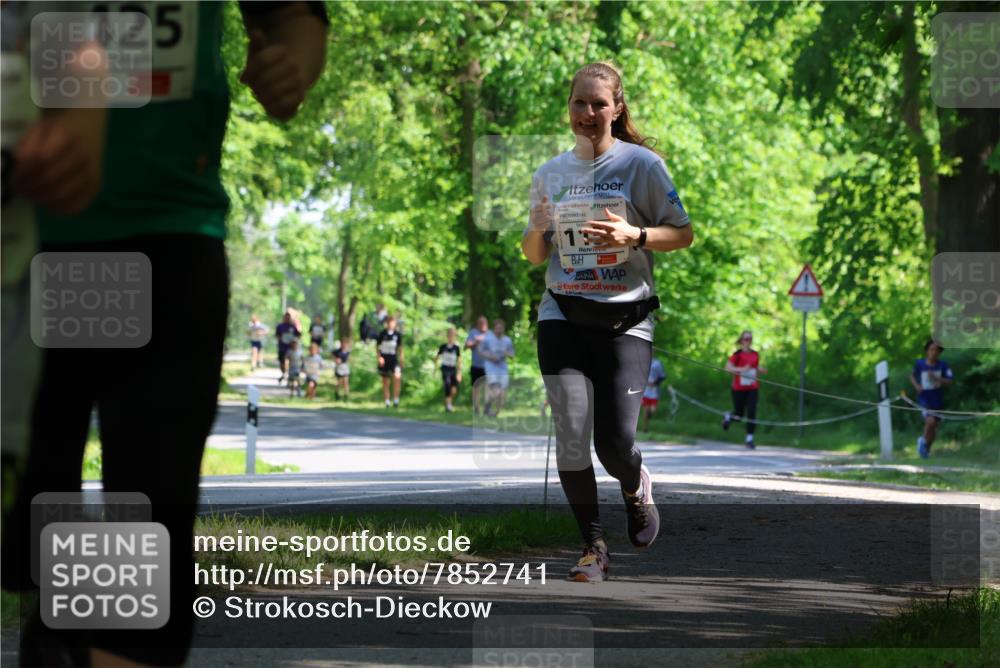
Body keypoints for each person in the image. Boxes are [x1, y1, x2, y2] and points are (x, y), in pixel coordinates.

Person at [1, 4, 328, 666]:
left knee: (148, 519)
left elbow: (297, 15)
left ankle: (86, 637)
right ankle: (63, 623)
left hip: (165, 233)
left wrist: (291, 62)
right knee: (26, 527)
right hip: (23, 243)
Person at [522, 62, 693, 582]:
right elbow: (535, 254)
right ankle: (593, 548)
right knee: (572, 431)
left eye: (599, 103)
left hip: (625, 320)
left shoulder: (642, 165)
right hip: (562, 313)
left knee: (613, 444)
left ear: (617, 109)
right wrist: (538, 228)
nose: (588, 112)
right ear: (569, 108)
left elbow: (682, 233)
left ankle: (635, 484)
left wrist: (633, 236)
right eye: (579, 102)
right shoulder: (550, 173)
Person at [722, 330, 767, 449]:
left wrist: (760, 370)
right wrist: (741, 369)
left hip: (752, 387)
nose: (748, 341)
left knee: (752, 412)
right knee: (739, 415)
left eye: (750, 339)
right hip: (738, 388)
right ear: (741, 341)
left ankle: (749, 439)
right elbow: (728, 368)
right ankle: (728, 417)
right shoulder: (737, 355)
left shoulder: (755, 354)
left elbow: (755, 368)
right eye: (746, 339)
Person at [910, 339, 954, 458]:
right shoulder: (920, 364)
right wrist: (917, 386)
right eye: (931, 350)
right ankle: (923, 442)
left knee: (934, 427)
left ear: (939, 352)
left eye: (936, 350)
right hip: (924, 399)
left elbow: (949, 380)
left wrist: (937, 378)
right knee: (930, 421)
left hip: (937, 399)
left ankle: (926, 450)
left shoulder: (943, 365)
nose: (933, 352)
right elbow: (912, 375)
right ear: (927, 351)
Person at [481, 319, 514, 417]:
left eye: (501, 328)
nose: (499, 330)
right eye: (497, 328)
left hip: (503, 368)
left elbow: (512, 354)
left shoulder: (507, 340)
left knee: (501, 391)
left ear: (503, 329)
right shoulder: (488, 339)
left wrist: (507, 353)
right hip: (491, 367)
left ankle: (493, 410)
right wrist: (490, 356)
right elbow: (481, 351)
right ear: (494, 329)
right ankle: (489, 408)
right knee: (496, 389)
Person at [376, 314, 403, 407]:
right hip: (384, 358)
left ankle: (396, 400)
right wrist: (379, 357)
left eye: (392, 322)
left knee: (397, 377)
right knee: (385, 381)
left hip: (394, 359)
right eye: (389, 322)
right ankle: (387, 401)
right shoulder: (382, 334)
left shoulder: (397, 335)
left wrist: (402, 359)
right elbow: (378, 347)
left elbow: (400, 348)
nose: (391, 324)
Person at [465, 315, 490, 415]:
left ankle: (487, 408)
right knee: (476, 388)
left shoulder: (490, 334)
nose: (482, 325)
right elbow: (466, 345)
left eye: (484, 323)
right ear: (477, 324)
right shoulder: (473, 333)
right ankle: (476, 408)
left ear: (487, 324)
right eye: (480, 323)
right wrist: (476, 341)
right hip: (476, 366)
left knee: (488, 387)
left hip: (488, 367)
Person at [436, 327, 463, 412]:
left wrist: (459, 372)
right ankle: (448, 406)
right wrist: (435, 369)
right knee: (447, 384)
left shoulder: (456, 348)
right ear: (447, 335)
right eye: (450, 334)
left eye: (453, 334)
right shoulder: (443, 347)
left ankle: (447, 401)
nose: (451, 336)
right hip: (445, 368)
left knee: (454, 389)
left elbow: (459, 360)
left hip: (453, 369)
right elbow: (437, 357)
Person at [641, 356, 667, 432]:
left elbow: (663, 376)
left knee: (653, 410)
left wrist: (654, 383)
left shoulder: (657, 363)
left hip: (654, 391)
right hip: (645, 391)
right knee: (645, 409)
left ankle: (649, 414)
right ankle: (645, 428)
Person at [276, 310, 301, 385]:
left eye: (288, 317)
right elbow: (277, 335)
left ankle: (290, 377)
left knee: (290, 362)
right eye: (286, 317)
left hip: (291, 348)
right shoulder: (280, 326)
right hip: (282, 347)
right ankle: (284, 373)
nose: (287, 318)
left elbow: (298, 335)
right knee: (282, 362)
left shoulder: (293, 326)